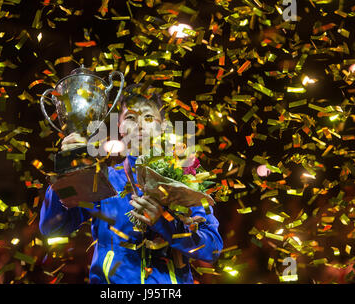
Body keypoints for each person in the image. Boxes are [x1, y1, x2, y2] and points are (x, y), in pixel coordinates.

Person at [39, 84, 223, 284]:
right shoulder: (103, 180)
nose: (140, 125)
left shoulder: (185, 180)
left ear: (163, 126)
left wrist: (166, 223)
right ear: (119, 127)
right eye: (130, 118)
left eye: (149, 118)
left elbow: (212, 248)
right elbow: (52, 228)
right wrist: (68, 173)